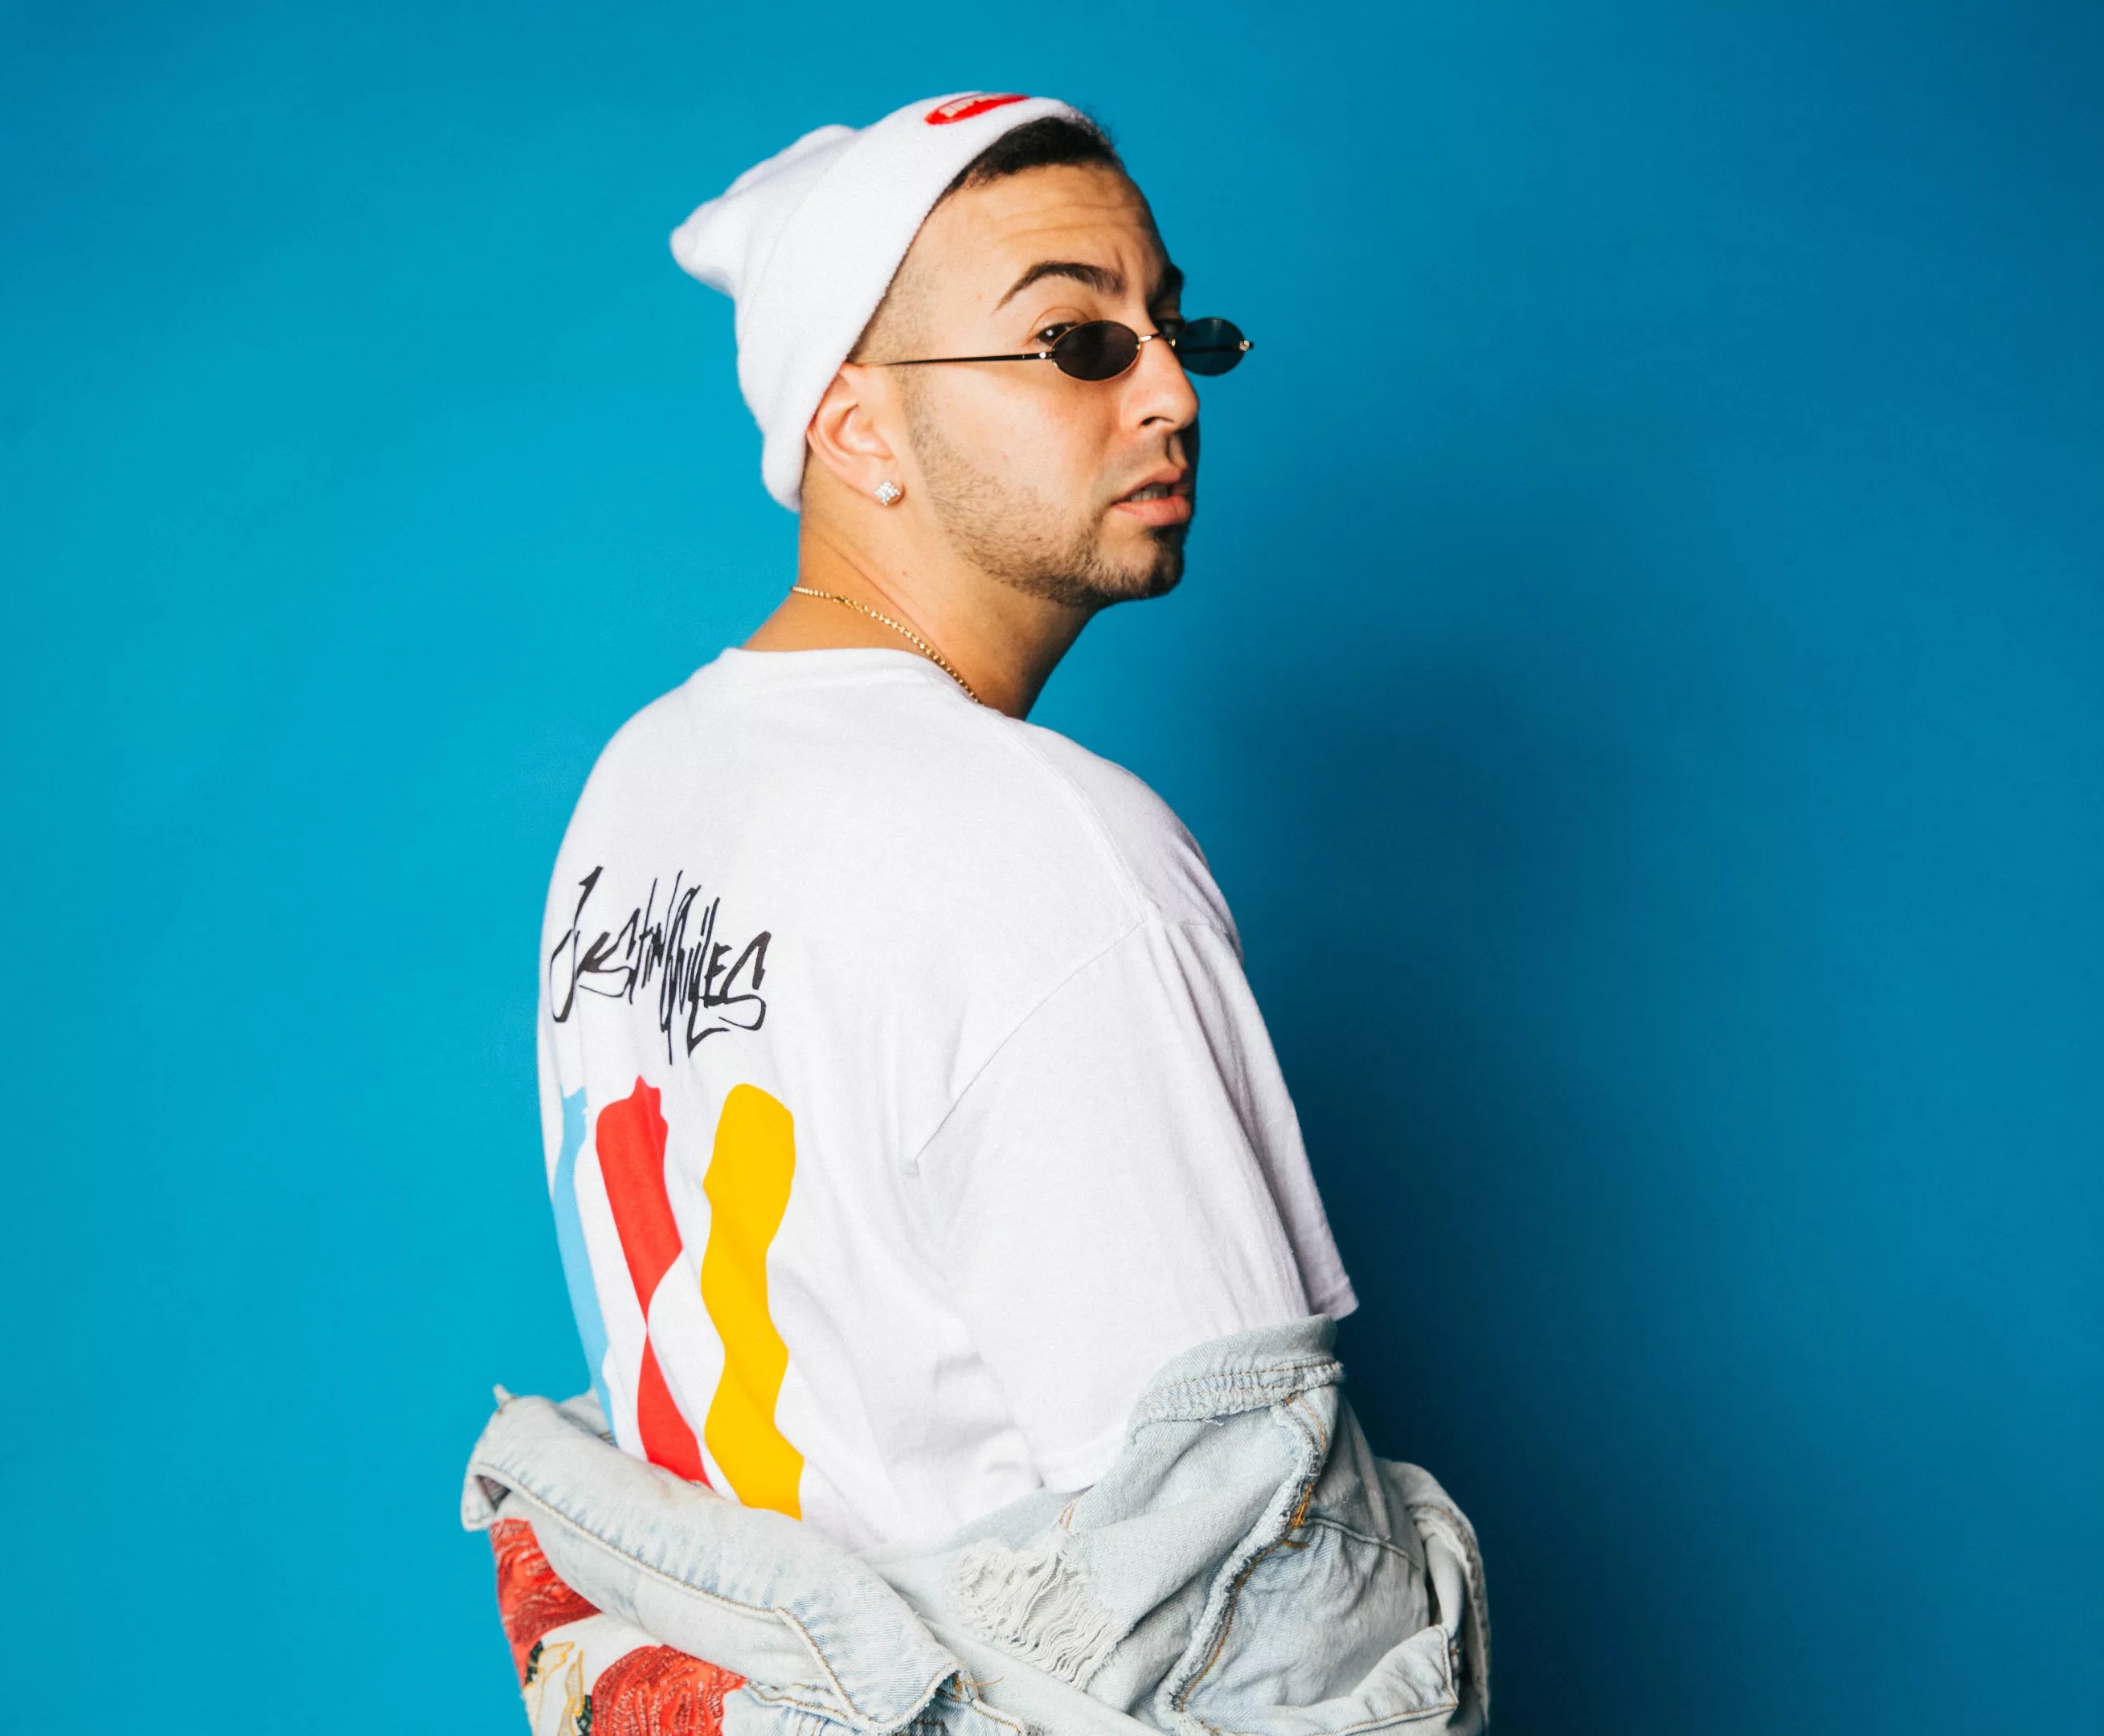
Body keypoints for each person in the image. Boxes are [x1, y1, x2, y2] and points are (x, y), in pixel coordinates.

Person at [482, 93, 1485, 1736]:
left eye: (1174, 331)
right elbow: (1270, 1625)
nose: (1171, 393)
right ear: (856, 426)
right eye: (1078, 343)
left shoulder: (641, 782)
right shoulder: (1048, 844)